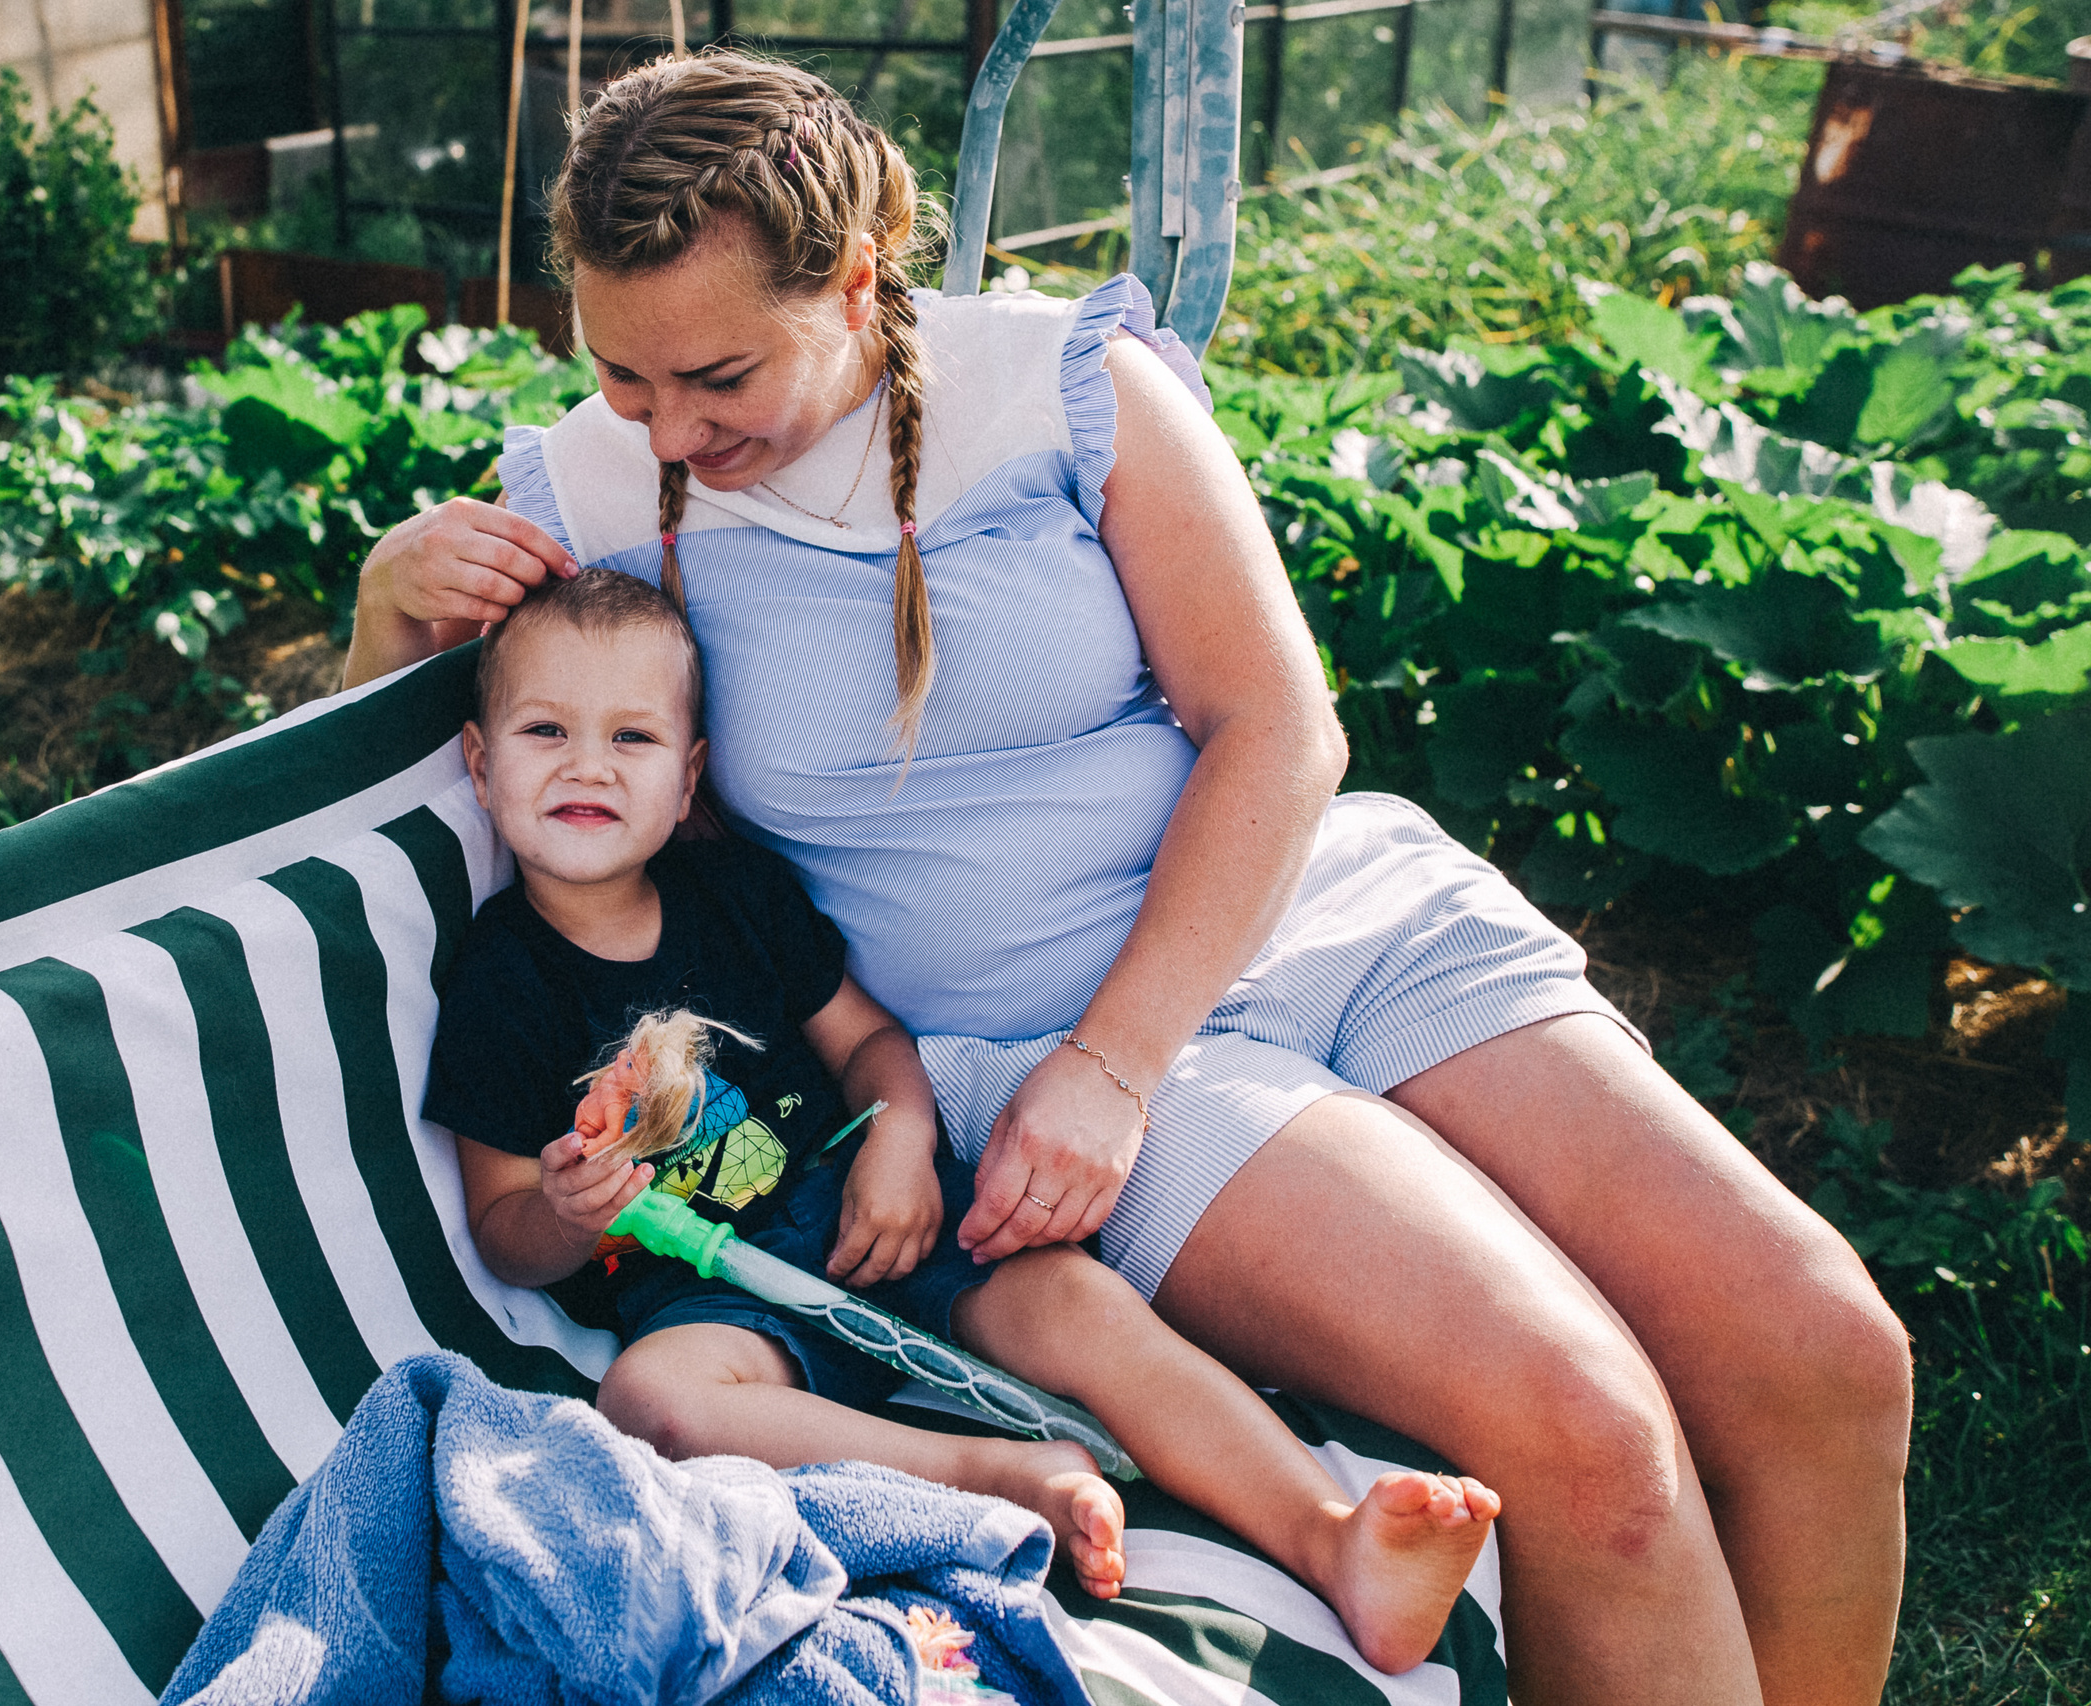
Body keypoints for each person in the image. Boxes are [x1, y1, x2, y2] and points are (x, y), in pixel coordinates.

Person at [348, 52, 1913, 1706]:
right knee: (1590, 1438)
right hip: (1033, 1039)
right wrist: (385, 617)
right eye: (620, 373)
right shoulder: (591, 496)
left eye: (717, 373)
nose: (668, 425)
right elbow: (386, 789)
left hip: (1309, 930)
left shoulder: (1064, 384)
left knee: (1821, 1345)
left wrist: (1121, 1068)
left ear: (861, 278)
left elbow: (1276, 728)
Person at [425, 568, 1500, 1675]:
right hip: (714, 1290)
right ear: (479, 759)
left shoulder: (731, 895)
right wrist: (563, 1210)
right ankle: (980, 1474)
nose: (587, 763)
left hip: (868, 1204)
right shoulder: (502, 982)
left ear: (689, 772)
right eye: (545, 728)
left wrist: (895, 1138)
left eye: (633, 737)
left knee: (1077, 1303)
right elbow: (503, 1220)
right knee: (649, 1398)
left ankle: (1332, 1539)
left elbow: (873, 1045)